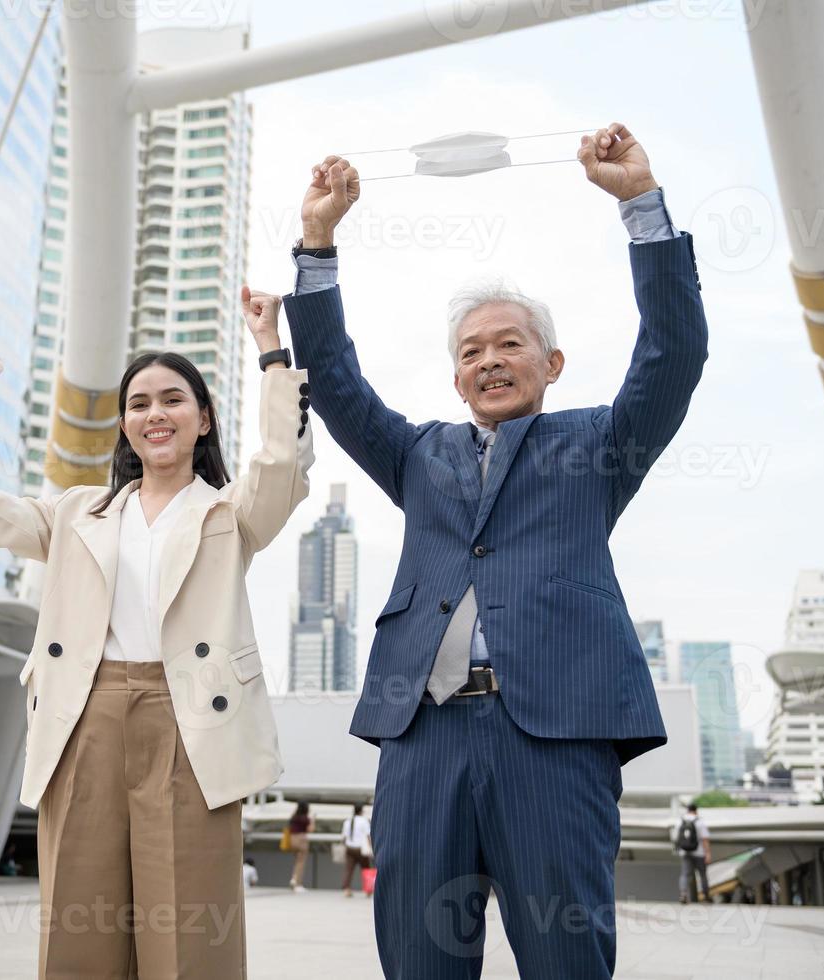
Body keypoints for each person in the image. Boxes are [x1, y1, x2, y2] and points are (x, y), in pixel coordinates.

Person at [282, 122, 707, 979]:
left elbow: (673, 353)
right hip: (422, 738)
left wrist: (638, 207)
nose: (488, 361)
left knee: (565, 958)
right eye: (470, 351)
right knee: (417, 955)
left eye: (508, 343)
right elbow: (329, 382)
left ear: (550, 363)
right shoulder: (417, 453)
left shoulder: (598, 445)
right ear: (453, 379)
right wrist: (318, 242)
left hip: (552, 735)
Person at [0, 292, 313, 977]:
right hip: (85, 716)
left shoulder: (231, 513)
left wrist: (268, 345)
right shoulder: (78, 512)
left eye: (171, 399)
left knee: (190, 927)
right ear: (124, 424)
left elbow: (283, 465)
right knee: (81, 921)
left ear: (203, 418)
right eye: (138, 403)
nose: (153, 414)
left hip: (191, 721)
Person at [671, 803, 711, 903]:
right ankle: (706, 896)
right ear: (696, 810)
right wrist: (708, 853)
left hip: (685, 852)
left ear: (687, 810)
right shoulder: (699, 821)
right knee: (702, 874)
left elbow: (676, 837)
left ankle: (683, 894)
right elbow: (705, 839)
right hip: (699, 853)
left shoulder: (680, 821)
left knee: (685, 874)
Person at [340, 803, 373, 897]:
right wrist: (370, 848)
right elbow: (368, 835)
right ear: (361, 810)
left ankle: (347, 889)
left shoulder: (348, 821)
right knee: (366, 868)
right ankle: (368, 890)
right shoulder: (364, 821)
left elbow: (344, 837)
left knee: (349, 869)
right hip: (360, 849)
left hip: (349, 848)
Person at [287, 801, 312, 892]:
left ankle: (294, 878)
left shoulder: (294, 817)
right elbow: (310, 829)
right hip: (302, 839)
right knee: (301, 862)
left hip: (292, 839)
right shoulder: (305, 818)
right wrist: (313, 819)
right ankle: (297, 883)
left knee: (297, 861)